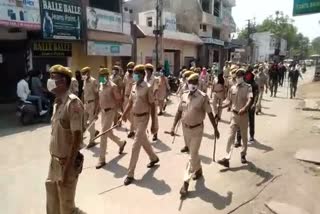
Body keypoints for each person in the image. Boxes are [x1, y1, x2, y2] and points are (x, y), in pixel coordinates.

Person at [170, 73, 220, 197]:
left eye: (194, 83)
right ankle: (198, 170)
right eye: (190, 82)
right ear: (187, 83)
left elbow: (209, 114)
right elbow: (179, 111)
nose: (192, 85)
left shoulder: (203, 97)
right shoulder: (184, 95)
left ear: (197, 84)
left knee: (192, 156)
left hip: (197, 130)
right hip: (185, 129)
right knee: (194, 153)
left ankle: (185, 183)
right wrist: (173, 126)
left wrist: (215, 129)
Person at [45, 65, 84, 214]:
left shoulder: (73, 104)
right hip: (54, 162)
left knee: (67, 208)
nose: (49, 81)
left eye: (53, 78)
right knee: (53, 205)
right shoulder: (57, 102)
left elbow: (77, 137)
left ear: (62, 82)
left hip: (66, 164)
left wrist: (67, 170)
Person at [120, 64, 160, 186]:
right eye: (134, 74)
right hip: (135, 118)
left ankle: (130, 174)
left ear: (142, 75)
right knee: (143, 140)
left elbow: (152, 106)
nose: (134, 76)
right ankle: (154, 158)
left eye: (136, 74)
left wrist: (154, 123)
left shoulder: (148, 87)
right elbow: (131, 102)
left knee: (135, 145)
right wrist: (123, 115)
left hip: (144, 118)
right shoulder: (133, 86)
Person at [217, 69, 253, 168]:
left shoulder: (248, 87)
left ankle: (243, 154)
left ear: (243, 76)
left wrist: (245, 108)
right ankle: (227, 158)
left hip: (243, 115)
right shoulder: (232, 88)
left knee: (244, 136)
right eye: (237, 76)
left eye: (240, 76)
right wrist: (221, 107)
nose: (238, 77)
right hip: (234, 115)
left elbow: (250, 99)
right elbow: (228, 101)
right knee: (230, 137)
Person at [96, 68, 127, 169]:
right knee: (108, 133)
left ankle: (101, 159)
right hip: (103, 112)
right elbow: (99, 98)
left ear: (106, 76)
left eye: (103, 76)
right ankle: (121, 143)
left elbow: (119, 99)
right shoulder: (101, 85)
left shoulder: (112, 86)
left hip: (110, 112)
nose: (101, 78)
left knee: (103, 134)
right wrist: (97, 110)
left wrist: (118, 113)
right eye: (100, 76)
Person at [235, 66, 259, 146]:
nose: (247, 76)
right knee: (240, 122)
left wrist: (254, 103)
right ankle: (238, 140)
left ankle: (251, 136)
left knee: (251, 121)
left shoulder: (254, 84)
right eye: (246, 74)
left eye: (249, 74)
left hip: (251, 105)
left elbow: (256, 95)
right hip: (242, 105)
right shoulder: (242, 84)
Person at [80, 67, 100, 148]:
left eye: (84, 73)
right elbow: (83, 93)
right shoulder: (84, 81)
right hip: (86, 104)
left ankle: (92, 141)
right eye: (82, 74)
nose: (83, 75)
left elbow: (97, 95)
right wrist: (81, 103)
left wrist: (96, 109)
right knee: (84, 123)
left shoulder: (93, 81)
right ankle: (94, 132)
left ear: (88, 73)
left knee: (91, 123)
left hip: (92, 104)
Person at [145, 63, 160, 141]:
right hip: (145, 101)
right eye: (145, 70)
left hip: (153, 101)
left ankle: (155, 133)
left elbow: (156, 90)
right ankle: (145, 132)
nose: (146, 71)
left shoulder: (155, 79)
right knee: (144, 117)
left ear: (150, 71)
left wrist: (152, 99)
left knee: (154, 117)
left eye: (147, 70)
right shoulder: (144, 78)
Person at [123, 62, 136, 138]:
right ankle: (135, 125)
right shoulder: (126, 74)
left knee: (132, 114)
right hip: (126, 97)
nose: (129, 69)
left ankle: (132, 131)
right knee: (126, 114)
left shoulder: (136, 76)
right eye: (128, 67)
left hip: (133, 98)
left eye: (131, 67)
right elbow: (124, 85)